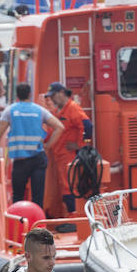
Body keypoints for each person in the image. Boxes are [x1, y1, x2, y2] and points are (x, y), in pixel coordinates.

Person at [0, 83, 63, 208]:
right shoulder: (39, 110)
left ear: (17, 95)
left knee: (18, 197)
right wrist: (47, 146)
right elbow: (59, 127)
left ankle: (19, 225)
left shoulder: (10, 111)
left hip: (21, 160)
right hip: (38, 157)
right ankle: (39, 224)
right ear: (29, 94)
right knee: (38, 197)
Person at [46, 81, 92, 214]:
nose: (52, 99)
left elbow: (87, 125)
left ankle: (75, 219)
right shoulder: (57, 111)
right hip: (60, 156)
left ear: (61, 93)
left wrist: (82, 145)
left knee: (70, 187)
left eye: (53, 95)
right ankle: (72, 217)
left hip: (70, 156)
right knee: (65, 187)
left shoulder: (72, 108)